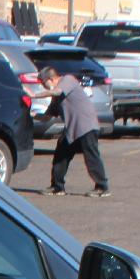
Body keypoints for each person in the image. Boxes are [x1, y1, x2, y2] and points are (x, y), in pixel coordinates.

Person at [35, 65, 109, 197]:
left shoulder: (67, 80)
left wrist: (34, 95)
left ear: (51, 79)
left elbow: (57, 91)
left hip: (87, 126)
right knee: (61, 156)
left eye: (43, 83)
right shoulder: (56, 97)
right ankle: (57, 187)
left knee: (91, 157)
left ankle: (102, 187)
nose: (43, 86)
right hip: (72, 129)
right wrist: (29, 114)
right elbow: (46, 118)